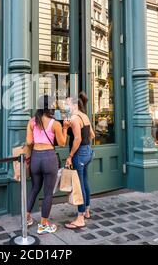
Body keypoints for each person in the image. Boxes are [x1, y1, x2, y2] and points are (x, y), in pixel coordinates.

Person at [26, 95, 69, 235]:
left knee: (34, 188)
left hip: (35, 158)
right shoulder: (55, 123)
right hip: (49, 158)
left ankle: (26, 217)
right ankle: (43, 224)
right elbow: (62, 143)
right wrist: (65, 128)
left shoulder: (32, 122)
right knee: (48, 193)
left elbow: (28, 142)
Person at [64, 92, 95, 230]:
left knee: (79, 186)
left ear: (74, 104)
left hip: (79, 154)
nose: (66, 106)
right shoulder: (84, 116)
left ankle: (80, 218)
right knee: (85, 182)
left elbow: (77, 139)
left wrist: (70, 156)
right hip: (88, 152)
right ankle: (87, 210)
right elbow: (92, 135)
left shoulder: (75, 118)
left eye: (67, 103)